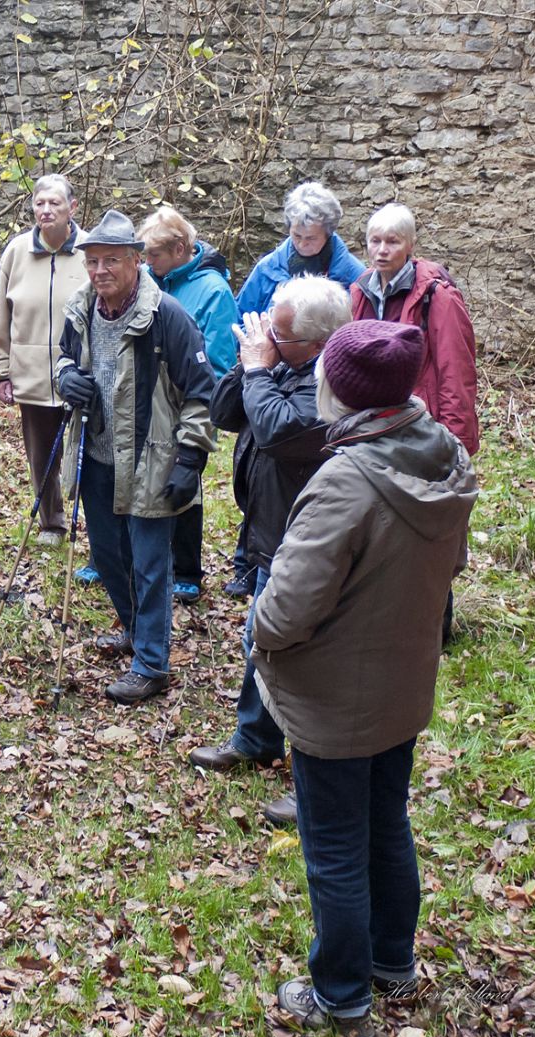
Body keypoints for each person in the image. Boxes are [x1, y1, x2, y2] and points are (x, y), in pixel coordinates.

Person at [255, 320, 478, 1037]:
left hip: (333, 702)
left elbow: (284, 614)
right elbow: (450, 566)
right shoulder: (441, 452)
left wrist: (255, 621)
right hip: (402, 683)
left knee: (335, 848)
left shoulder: (345, 481)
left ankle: (341, 998)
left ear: (341, 391)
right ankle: (392, 963)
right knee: (386, 821)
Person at [186, 277, 353, 828]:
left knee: (298, 654)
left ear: (317, 343)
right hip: (269, 531)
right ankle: (255, 739)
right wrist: (250, 365)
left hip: (306, 542)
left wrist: (259, 369)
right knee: (259, 640)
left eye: (279, 334)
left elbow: (281, 432)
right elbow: (226, 413)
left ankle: (313, 777)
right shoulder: (284, 362)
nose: (268, 341)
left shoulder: (332, 385)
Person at [53, 210, 217, 705]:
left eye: (111, 261)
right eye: (93, 261)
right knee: (109, 557)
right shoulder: (82, 309)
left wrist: (189, 459)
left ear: (135, 261)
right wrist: (67, 378)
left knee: (150, 564)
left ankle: (151, 664)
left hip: (151, 458)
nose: (100, 270)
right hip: (96, 455)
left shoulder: (167, 316)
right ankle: (133, 629)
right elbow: (62, 357)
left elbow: (201, 393)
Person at [230, 182, 364, 597]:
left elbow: (355, 334)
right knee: (261, 473)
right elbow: (242, 312)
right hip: (272, 373)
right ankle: (247, 561)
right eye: (296, 235)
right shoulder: (270, 267)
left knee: (288, 473)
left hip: (313, 382)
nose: (302, 243)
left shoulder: (350, 274)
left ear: (329, 234)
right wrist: (253, 358)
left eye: (311, 237)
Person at [139, 206, 239, 603]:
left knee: (183, 479)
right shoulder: (149, 279)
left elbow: (219, 360)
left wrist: (199, 402)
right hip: (148, 399)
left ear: (179, 249)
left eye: (154, 254)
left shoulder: (213, 290)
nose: (147, 262)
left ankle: (186, 570)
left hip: (189, 401)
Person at [0, 173, 89, 545]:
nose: (46, 210)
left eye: (54, 203)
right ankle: (52, 523)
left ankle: (98, 523)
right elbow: (2, 316)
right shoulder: (16, 252)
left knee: (88, 454)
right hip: (31, 375)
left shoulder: (91, 252)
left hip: (80, 375)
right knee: (41, 455)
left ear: (72, 207)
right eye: (39, 203)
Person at [351, 202, 479, 456]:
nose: (382, 250)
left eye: (393, 242)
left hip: (419, 423)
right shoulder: (360, 291)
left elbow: (456, 372)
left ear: (410, 245)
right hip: (370, 423)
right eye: (375, 241)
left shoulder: (437, 296)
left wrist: (455, 443)